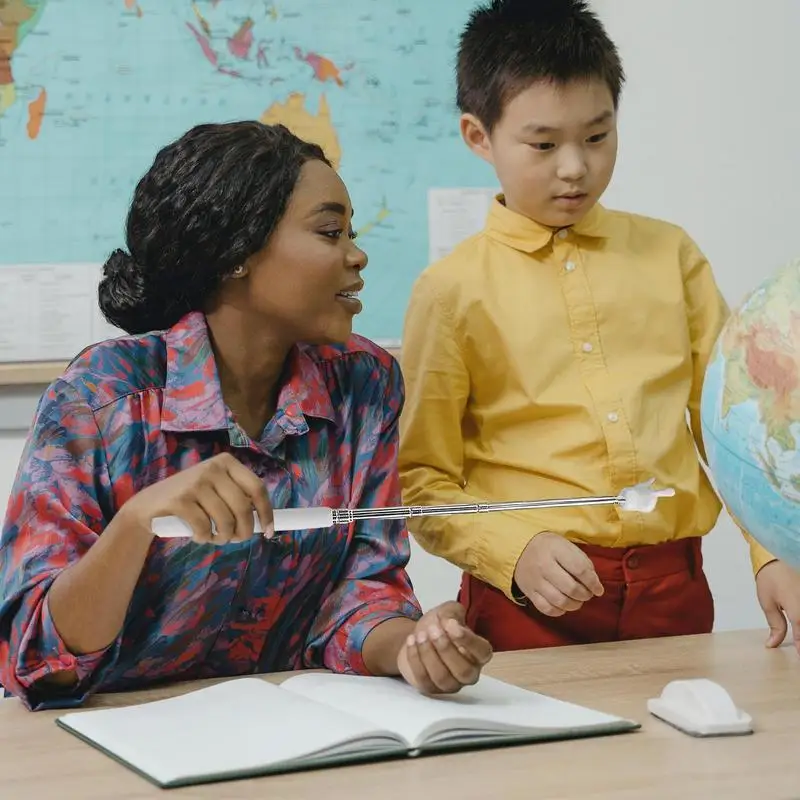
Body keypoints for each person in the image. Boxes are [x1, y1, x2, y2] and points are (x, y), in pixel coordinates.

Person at [0, 121, 493, 711]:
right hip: (117, 739)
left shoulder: (364, 384)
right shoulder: (102, 398)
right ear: (236, 252)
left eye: (350, 232)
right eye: (330, 231)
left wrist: (412, 647)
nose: (358, 255)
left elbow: (362, 593)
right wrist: (135, 525)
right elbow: (35, 655)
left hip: (294, 731)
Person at [398, 0, 800, 654]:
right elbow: (423, 484)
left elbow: (737, 431)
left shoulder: (672, 256)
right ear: (479, 136)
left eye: (597, 136)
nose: (574, 167)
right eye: (543, 144)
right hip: (527, 600)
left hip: (675, 587)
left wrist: (771, 554)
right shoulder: (450, 291)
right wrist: (513, 551)